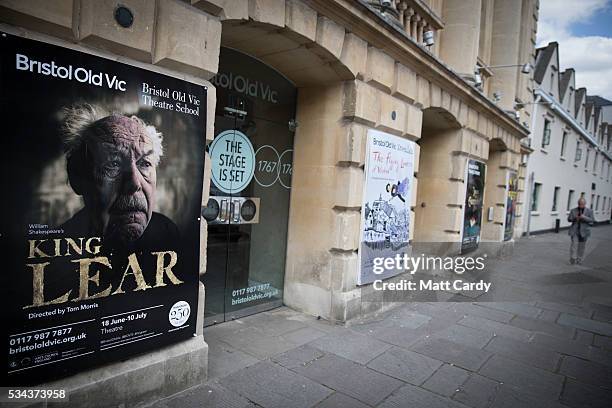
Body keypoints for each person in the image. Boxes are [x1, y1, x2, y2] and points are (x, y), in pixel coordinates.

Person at [59, 103, 179, 251]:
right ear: (76, 178)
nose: (135, 183)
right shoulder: (57, 249)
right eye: (113, 163)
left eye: (144, 163)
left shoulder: (167, 232)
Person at [567, 197, 594, 264]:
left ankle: (579, 259)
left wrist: (584, 217)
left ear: (585, 204)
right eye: (580, 204)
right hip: (575, 230)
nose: (581, 206)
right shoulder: (573, 210)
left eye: (582, 204)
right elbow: (569, 219)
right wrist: (575, 218)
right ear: (578, 204)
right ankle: (573, 258)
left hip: (584, 231)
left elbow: (592, 220)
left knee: (581, 246)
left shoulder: (589, 211)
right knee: (574, 245)